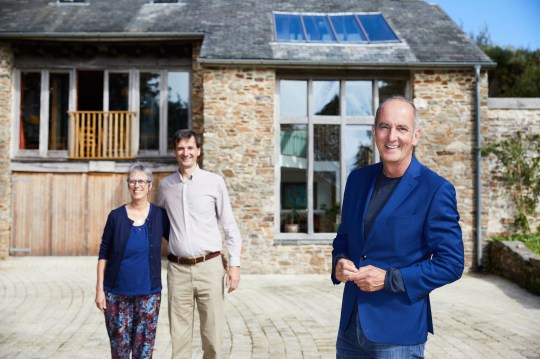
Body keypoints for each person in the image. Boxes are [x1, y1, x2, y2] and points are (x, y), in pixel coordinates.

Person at [332, 95, 464, 358]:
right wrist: (339, 262)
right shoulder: (357, 180)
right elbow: (344, 238)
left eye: (401, 128)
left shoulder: (435, 190)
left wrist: (390, 279)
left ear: (415, 136)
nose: (392, 136)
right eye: (384, 126)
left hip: (398, 333)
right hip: (350, 329)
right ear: (374, 132)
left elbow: (451, 263)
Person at [158, 129, 242, 359]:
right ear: (175, 152)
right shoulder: (166, 186)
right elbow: (163, 225)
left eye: (190, 148)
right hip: (178, 270)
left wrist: (234, 265)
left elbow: (229, 226)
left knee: (212, 338)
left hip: (210, 268)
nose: (186, 153)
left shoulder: (214, 182)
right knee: (180, 340)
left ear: (199, 151)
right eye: (181, 148)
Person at [95, 162, 170, 359]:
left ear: (150, 185)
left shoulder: (160, 216)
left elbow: (179, 239)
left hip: (149, 295)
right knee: (119, 352)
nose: (137, 185)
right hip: (116, 295)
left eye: (141, 181)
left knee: (144, 352)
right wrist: (99, 290)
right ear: (128, 184)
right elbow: (104, 254)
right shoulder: (116, 216)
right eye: (133, 181)